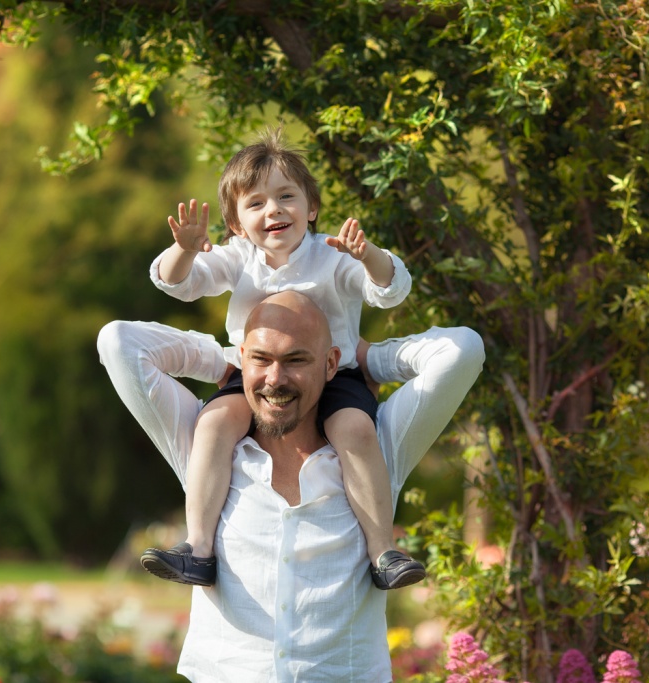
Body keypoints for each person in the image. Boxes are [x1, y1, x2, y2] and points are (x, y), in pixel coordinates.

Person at [97, 291, 484, 682]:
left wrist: (369, 358)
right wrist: (218, 360)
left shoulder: (375, 448)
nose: (275, 379)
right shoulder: (207, 449)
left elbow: (463, 351)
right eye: (261, 359)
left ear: (330, 364)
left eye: (296, 360)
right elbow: (119, 342)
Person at [141, 129, 422, 590]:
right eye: (255, 204)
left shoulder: (331, 256)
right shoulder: (238, 258)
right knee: (213, 423)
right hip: (255, 377)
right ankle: (199, 548)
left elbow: (389, 290)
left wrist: (367, 255)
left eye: (286, 196)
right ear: (236, 224)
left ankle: (382, 551)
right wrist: (184, 250)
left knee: (355, 429)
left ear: (311, 208)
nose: (273, 210)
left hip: (334, 376)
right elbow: (179, 284)